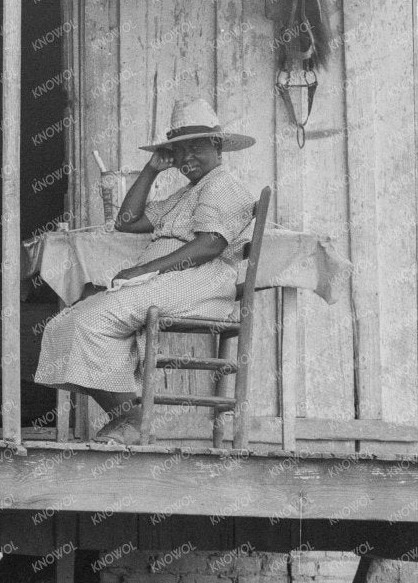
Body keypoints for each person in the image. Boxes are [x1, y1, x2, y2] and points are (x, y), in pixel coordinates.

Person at [34, 96, 261, 443]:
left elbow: (210, 244)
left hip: (202, 279)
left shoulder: (223, 184)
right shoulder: (186, 193)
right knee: (64, 324)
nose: (186, 159)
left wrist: (145, 271)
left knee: (92, 320)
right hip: (173, 278)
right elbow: (127, 221)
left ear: (217, 145)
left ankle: (132, 419)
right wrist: (153, 167)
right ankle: (129, 416)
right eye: (179, 151)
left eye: (195, 148)